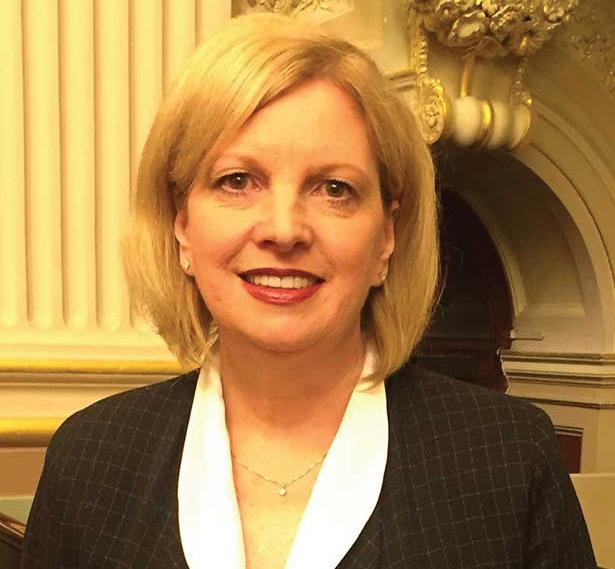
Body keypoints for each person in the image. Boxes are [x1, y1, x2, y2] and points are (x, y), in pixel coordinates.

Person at [22, 13, 595, 569]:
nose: (284, 229)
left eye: (334, 188)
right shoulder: (91, 461)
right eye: (237, 181)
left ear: (387, 236)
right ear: (181, 224)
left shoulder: (509, 459)